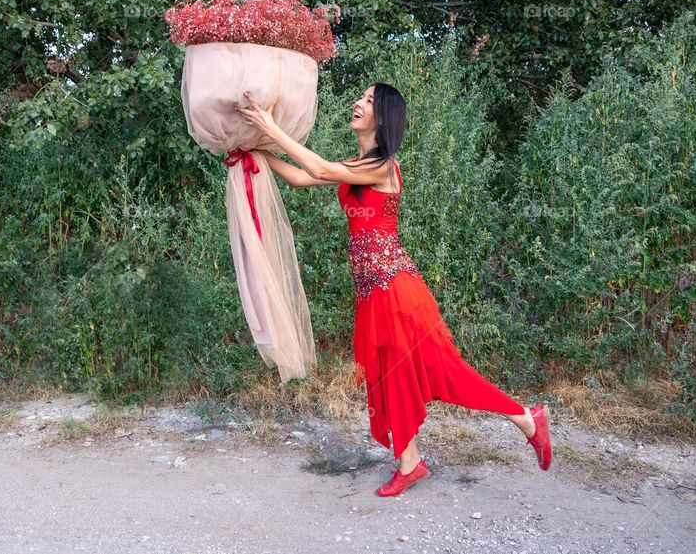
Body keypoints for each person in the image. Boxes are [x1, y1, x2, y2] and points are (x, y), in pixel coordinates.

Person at [235, 83, 552, 497]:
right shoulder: (360, 163)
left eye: (367, 101)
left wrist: (270, 128)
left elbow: (320, 170)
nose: (358, 103)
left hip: (395, 288)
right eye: (361, 98)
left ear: (382, 117)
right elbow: (299, 176)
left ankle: (527, 417)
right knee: (388, 377)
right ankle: (411, 462)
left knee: (445, 370)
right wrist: (256, 152)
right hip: (372, 289)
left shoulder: (384, 167)